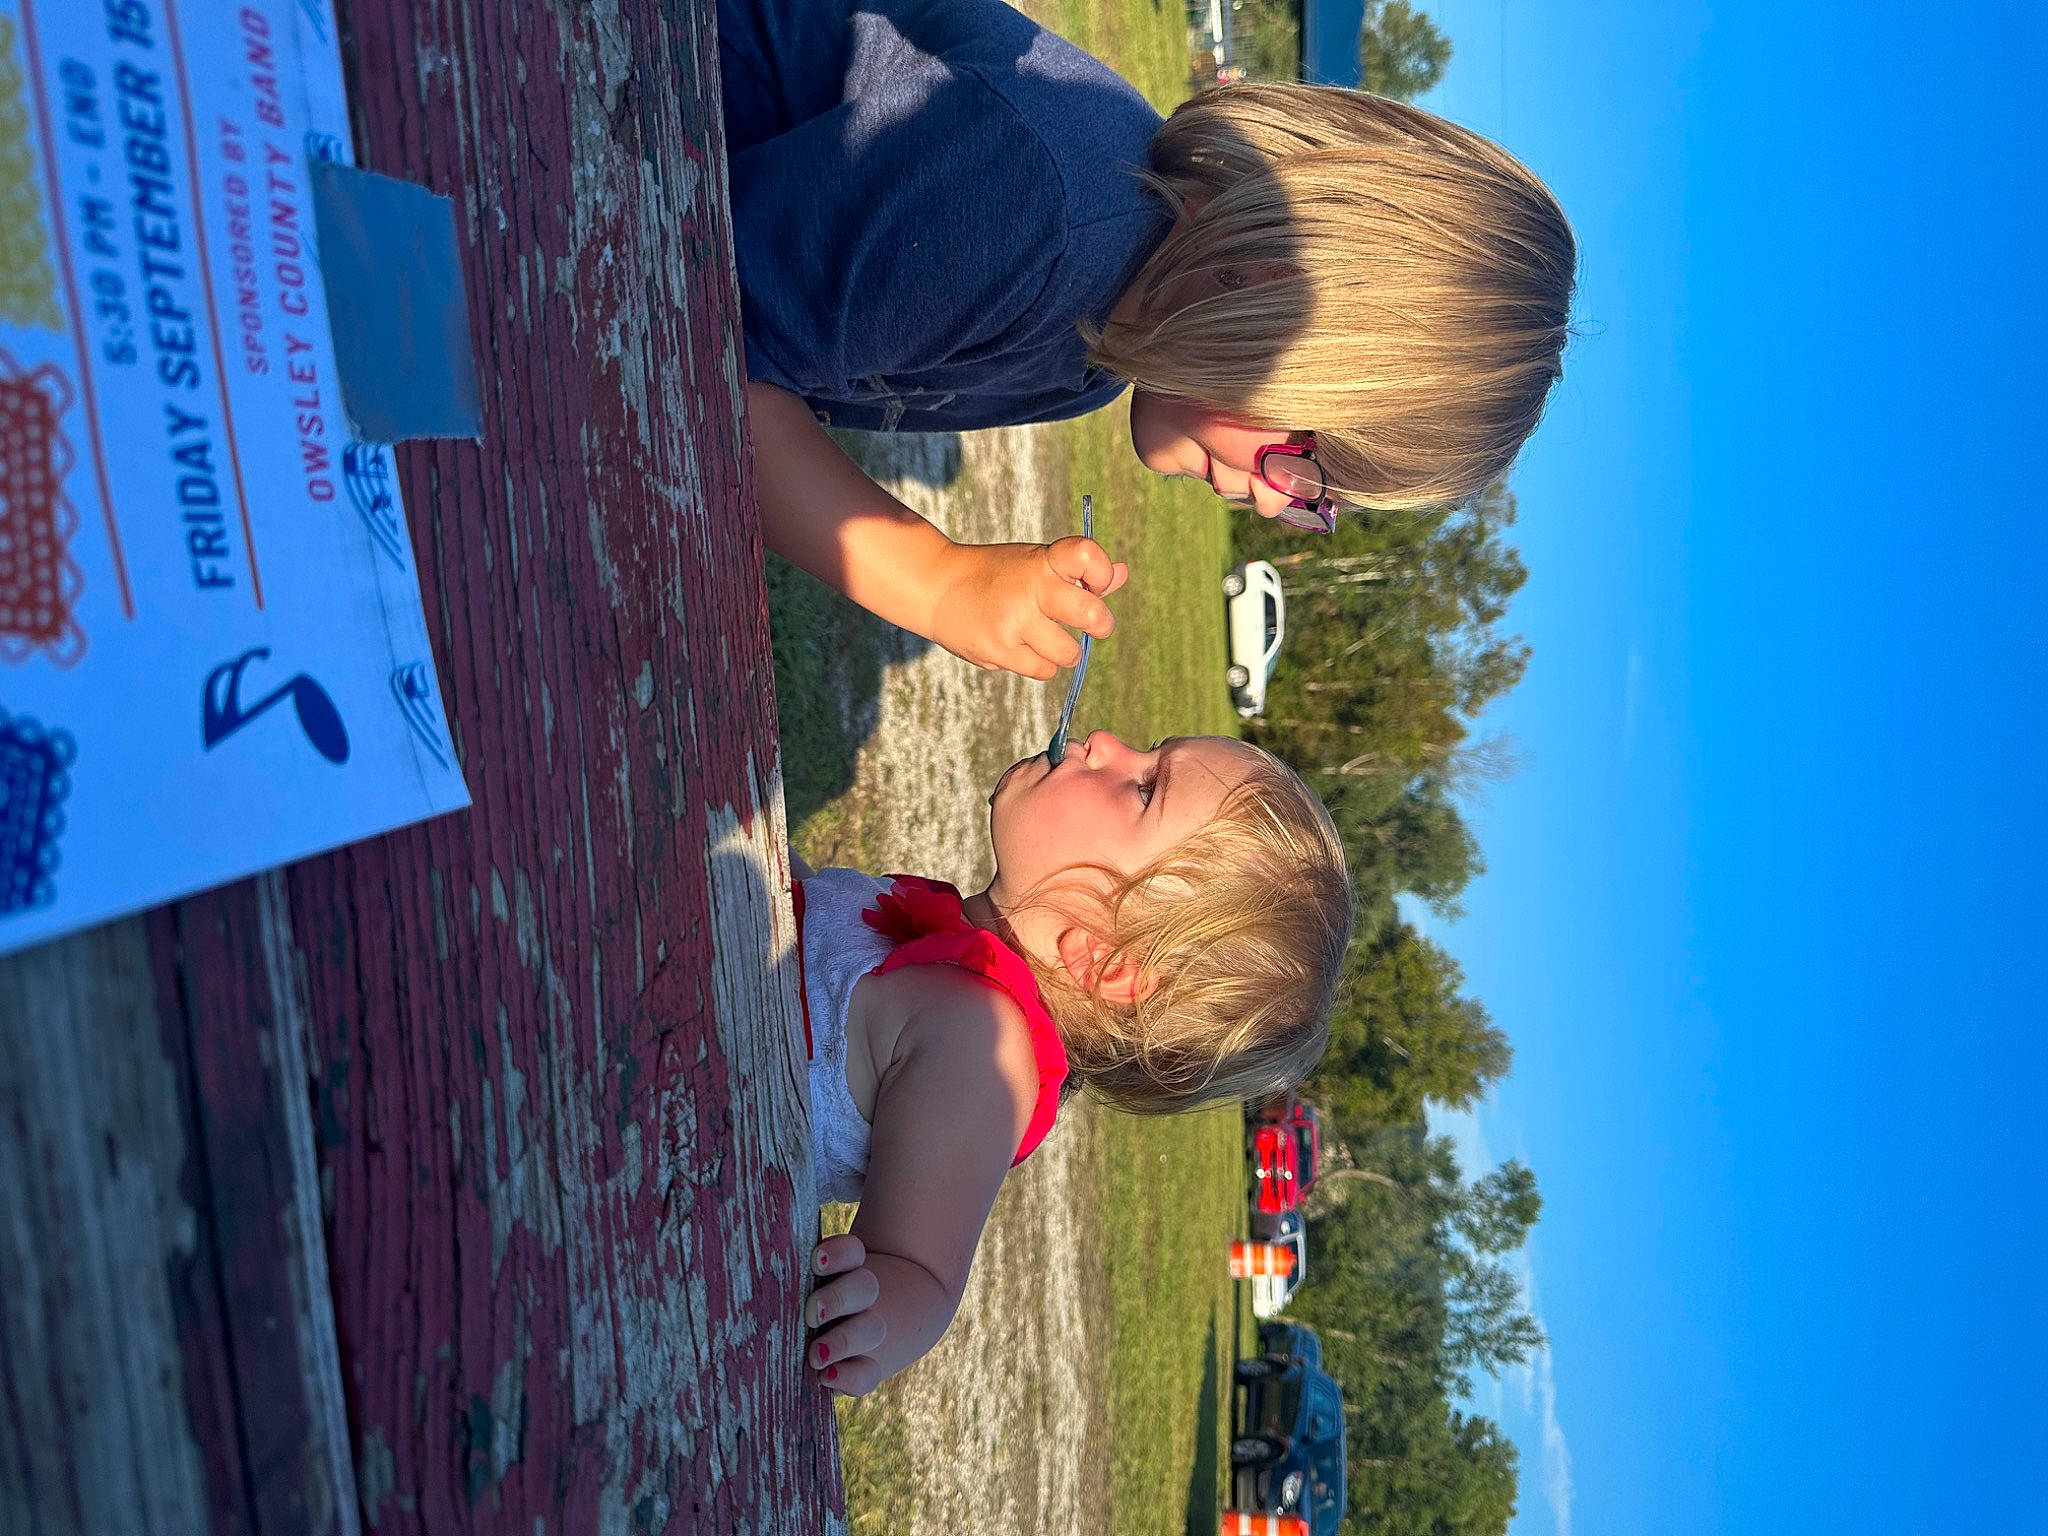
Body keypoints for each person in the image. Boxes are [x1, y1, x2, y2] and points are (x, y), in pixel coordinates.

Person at [721, 0, 1576, 679]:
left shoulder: (1094, 365)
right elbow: (715, 364)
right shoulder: (1043, 207)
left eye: (1319, 502)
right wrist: (936, 582)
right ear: (1278, 293)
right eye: (1309, 464)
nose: (1274, 505)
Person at [789, 728, 1354, 1394]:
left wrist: (876, 1313)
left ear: (1106, 961)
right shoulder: (952, 945)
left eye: (1145, 788)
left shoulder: (982, 1047)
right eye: (1149, 746)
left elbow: (924, 1273)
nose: (1104, 742)